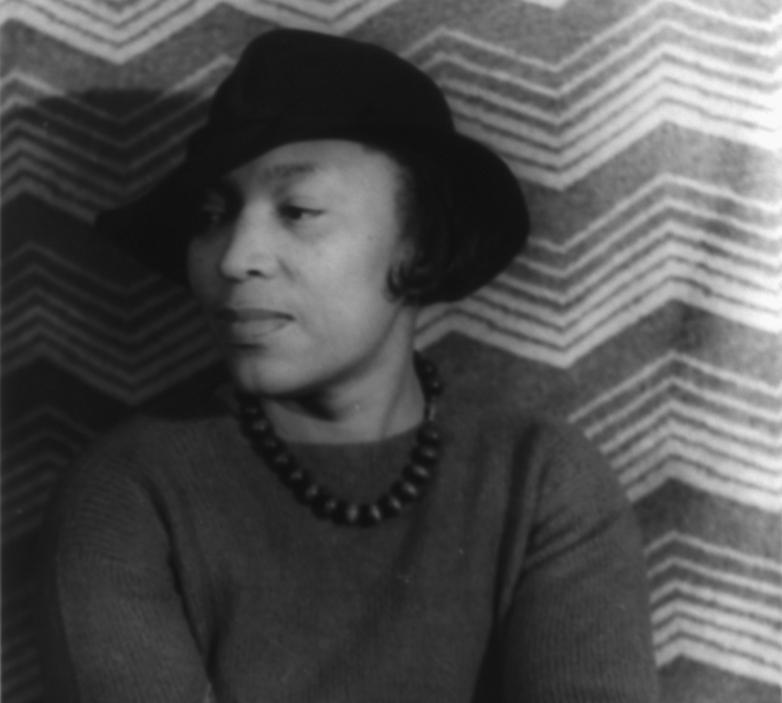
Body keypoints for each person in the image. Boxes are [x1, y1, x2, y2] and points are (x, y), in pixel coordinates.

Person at [38, 29, 659, 702]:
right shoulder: (130, 491)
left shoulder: (541, 481)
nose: (235, 258)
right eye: (212, 215)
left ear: (419, 244)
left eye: (299, 210)